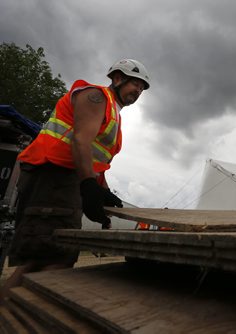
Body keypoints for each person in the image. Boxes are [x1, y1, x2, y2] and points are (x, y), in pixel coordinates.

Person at [0, 59, 150, 300]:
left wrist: (103, 192)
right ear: (118, 78)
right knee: (52, 260)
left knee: (47, 261)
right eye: (136, 84)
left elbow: (95, 160)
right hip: (52, 176)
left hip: (63, 182)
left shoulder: (113, 113)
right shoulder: (97, 97)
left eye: (143, 89)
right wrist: (89, 187)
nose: (139, 91)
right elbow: (81, 141)